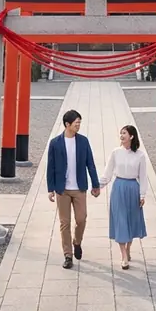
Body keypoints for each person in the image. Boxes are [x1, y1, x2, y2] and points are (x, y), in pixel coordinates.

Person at [45, 110, 101, 269]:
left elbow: (90, 163)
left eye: (79, 122)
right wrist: (50, 189)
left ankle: (77, 242)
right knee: (64, 223)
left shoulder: (83, 141)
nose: (78, 125)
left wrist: (95, 185)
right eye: (76, 123)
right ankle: (67, 255)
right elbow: (51, 167)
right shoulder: (55, 143)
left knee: (81, 219)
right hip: (62, 189)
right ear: (67, 124)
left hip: (79, 188)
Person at [100, 124, 149, 270]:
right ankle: (123, 256)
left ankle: (128, 248)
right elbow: (107, 173)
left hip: (133, 188)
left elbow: (143, 177)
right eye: (121, 133)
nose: (121, 136)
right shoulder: (116, 152)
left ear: (131, 136)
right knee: (120, 220)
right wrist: (98, 186)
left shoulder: (140, 155)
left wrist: (142, 194)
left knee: (131, 219)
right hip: (119, 187)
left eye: (124, 133)